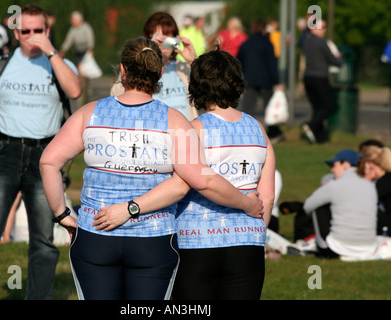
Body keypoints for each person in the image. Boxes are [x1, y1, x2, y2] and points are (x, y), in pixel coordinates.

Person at [39, 37, 263, 300]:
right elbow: (192, 181)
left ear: (122, 70)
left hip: (96, 234)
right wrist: (247, 204)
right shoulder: (177, 121)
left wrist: (61, 214)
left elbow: (48, 161)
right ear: (159, 73)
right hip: (153, 238)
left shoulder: (90, 113)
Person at [99, 47, 273, 299]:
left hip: (195, 242)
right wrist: (254, 232)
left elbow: (178, 185)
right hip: (247, 244)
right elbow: (267, 196)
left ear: (196, 87)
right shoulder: (258, 129)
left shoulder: (192, 130)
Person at [0, 4, 81, 300]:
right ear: (16, 32)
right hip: (4, 153)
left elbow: (75, 91)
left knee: (42, 239)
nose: (31, 36)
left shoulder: (59, 64)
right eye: (24, 31)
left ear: (47, 30)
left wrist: (52, 52)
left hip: (45, 158)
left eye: (38, 30)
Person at [111, 12, 198, 121]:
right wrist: (148, 52)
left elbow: (210, 93)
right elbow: (115, 96)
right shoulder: (136, 68)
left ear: (175, 39)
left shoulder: (183, 68)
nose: (161, 44)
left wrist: (194, 62)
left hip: (183, 133)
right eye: (158, 40)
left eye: (167, 39)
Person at [303, 149, 378, 258]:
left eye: (335, 165)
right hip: (369, 249)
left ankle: (319, 242)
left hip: (338, 249)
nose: (332, 170)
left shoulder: (334, 185)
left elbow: (307, 206)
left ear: (346, 165)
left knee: (318, 206)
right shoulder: (370, 186)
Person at [236, 18, 284, 142]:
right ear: (263, 29)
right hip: (266, 80)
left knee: (248, 109)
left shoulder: (246, 44)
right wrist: (277, 81)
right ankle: (273, 133)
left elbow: (238, 60)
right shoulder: (267, 44)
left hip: (251, 80)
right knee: (270, 108)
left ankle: (244, 132)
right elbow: (272, 64)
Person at [301, 19, 342, 144]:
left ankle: (319, 136)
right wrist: (339, 59)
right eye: (321, 27)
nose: (324, 29)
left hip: (308, 77)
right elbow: (333, 60)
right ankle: (310, 125)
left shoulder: (306, 41)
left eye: (324, 27)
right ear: (313, 28)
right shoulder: (321, 42)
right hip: (320, 78)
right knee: (329, 106)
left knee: (317, 107)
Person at [60, 11, 95, 104]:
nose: (71, 21)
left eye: (72, 19)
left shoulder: (86, 27)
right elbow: (68, 40)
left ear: (77, 20)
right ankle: (82, 88)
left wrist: (90, 49)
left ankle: (86, 88)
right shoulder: (73, 30)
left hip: (85, 52)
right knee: (80, 73)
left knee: (85, 73)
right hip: (78, 53)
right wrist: (63, 50)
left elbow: (90, 39)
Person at [359, 144, 391, 235]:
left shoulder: (385, 182)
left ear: (369, 165)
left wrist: (366, 179)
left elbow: (363, 200)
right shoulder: (386, 179)